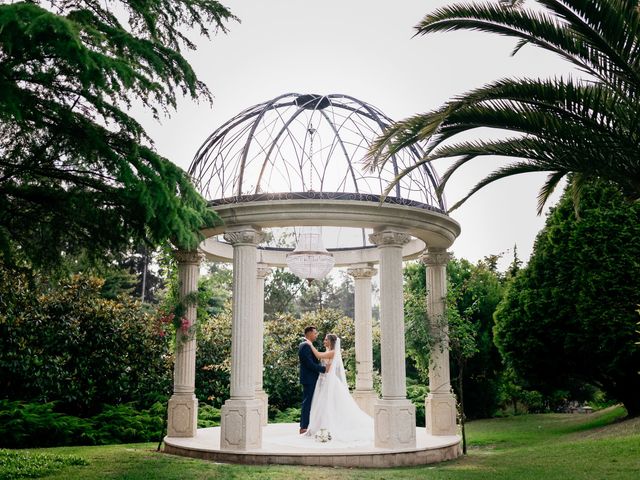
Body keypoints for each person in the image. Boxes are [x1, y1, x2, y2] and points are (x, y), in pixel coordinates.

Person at [303, 333, 374, 443]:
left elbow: (318, 355)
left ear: (331, 342)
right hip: (323, 381)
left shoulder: (333, 352)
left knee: (330, 404)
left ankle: (328, 427)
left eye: (326, 339)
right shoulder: (328, 352)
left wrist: (310, 344)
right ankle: (319, 428)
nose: (324, 341)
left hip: (330, 382)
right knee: (322, 404)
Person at [298, 325, 326, 434]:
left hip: (312, 378)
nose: (316, 335)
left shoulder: (308, 345)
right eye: (315, 333)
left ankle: (309, 424)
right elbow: (309, 364)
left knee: (310, 401)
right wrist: (323, 369)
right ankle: (303, 426)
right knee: (307, 402)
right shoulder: (305, 346)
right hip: (309, 379)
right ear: (309, 333)